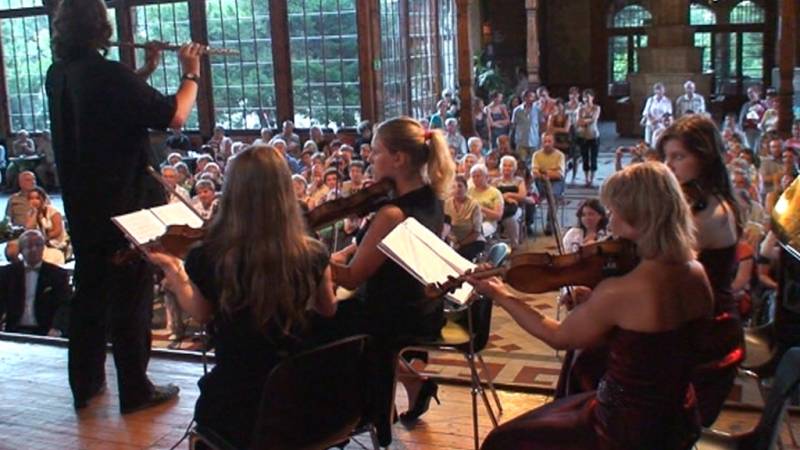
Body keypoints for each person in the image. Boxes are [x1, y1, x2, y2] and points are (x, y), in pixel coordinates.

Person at [471, 162, 713, 450]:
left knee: (502, 441)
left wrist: (500, 295)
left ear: (638, 217)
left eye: (614, 211)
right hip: (680, 417)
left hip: (624, 427)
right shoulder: (696, 271)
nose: (609, 221)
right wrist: (600, 309)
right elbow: (660, 342)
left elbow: (557, 336)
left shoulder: (622, 290)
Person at [45, 0, 203, 413]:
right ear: (102, 26)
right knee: (132, 297)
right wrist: (191, 72)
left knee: (90, 294)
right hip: (124, 206)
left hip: (83, 205)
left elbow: (108, 106)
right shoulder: (109, 75)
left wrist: (145, 70)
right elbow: (175, 115)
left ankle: (86, 384)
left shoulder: (59, 73)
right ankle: (135, 390)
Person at [147, 145, 336, 448]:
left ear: (233, 192)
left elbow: (202, 313)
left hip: (236, 401)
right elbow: (327, 310)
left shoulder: (209, 255)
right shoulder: (313, 251)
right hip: (302, 395)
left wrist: (173, 269)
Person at [325, 117, 454, 445]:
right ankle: (413, 384)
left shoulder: (392, 214)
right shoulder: (431, 198)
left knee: (320, 323)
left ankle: (344, 417)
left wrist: (311, 258)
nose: (369, 158)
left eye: (376, 151)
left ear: (399, 158)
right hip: (423, 306)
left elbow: (353, 278)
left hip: (390, 314)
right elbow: (377, 251)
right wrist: (348, 251)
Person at [658, 114, 744, 426]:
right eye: (666, 157)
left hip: (708, 331)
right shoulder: (697, 203)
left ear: (705, 159)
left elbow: (663, 271)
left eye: (678, 157)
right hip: (688, 319)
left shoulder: (711, 214)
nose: (668, 166)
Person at [0, 229, 71, 336]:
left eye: (38, 245)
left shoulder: (57, 275)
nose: (34, 249)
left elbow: (64, 304)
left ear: (43, 248)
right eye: (29, 246)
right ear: (21, 250)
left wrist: (56, 327)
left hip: (46, 331)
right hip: (13, 329)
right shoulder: (7, 273)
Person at [532, 132, 566, 234]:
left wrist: (544, 172)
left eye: (549, 141)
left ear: (553, 142)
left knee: (553, 196)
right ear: (541, 142)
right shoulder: (536, 155)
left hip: (556, 181)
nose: (547, 144)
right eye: (545, 141)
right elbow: (535, 173)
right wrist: (551, 171)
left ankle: (550, 223)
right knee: (532, 194)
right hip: (540, 181)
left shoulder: (560, 155)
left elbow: (559, 174)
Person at [445, 176, 486, 261]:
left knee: (461, 256)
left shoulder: (474, 205)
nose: (457, 189)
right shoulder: (446, 203)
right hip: (453, 240)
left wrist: (460, 244)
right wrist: (451, 241)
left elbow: (476, 232)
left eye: (460, 186)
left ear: (466, 188)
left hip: (472, 240)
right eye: (454, 187)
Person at [492, 155, 527, 247]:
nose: (507, 168)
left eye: (510, 166)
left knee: (510, 219)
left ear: (514, 168)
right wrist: (505, 198)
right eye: (505, 165)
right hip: (499, 206)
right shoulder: (495, 181)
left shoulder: (519, 180)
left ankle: (514, 244)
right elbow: (492, 196)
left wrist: (509, 194)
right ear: (501, 167)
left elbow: (522, 196)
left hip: (516, 207)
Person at [468, 164, 504, 238]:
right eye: (473, 177)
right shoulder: (469, 191)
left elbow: (498, 215)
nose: (475, 179)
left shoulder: (495, 193)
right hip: (470, 221)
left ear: (486, 177)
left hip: (488, 222)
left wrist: (480, 208)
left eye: (478, 176)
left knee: (476, 232)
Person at [575, 89, 600, 186]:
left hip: (593, 135)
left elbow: (593, 119)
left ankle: (592, 178)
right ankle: (586, 178)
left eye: (588, 97)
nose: (586, 99)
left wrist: (584, 120)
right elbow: (578, 121)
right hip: (583, 136)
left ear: (592, 98)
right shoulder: (580, 109)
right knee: (585, 157)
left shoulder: (596, 108)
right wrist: (585, 120)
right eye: (585, 97)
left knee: (593, 157)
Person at [510, 89, 541, 164]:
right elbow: (513, 125)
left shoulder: (537, 109)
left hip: (534, 140)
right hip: (521, 141)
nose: (532, 99)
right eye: (530, 97)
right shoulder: (517, 110)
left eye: (533, 97)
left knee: (535, 162)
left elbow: (541, 123)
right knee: (521, 162)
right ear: (525, 98)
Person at [739, 85, 766, 150]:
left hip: (760, 130)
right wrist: (742, 127)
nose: (750, 94)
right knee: (750, 147)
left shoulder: (763, 104)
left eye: (752, 92)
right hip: (749, 130)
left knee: (758, 148)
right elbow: (742, 117)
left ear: (758, 92)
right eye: (748, 93)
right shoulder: (746, 105)